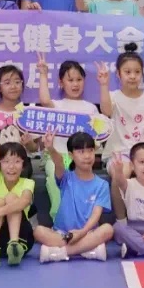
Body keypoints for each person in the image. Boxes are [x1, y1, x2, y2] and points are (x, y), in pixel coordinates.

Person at [101, 45, 144, 220]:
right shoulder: (113, 96)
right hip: (117, 153)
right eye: (127, 72)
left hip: (143, 154)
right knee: (123, 171)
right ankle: (121, 220)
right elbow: (106, 111)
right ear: (118, 74)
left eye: (137, 72)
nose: (132, 76)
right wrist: (104, 85)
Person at [34, 131, 116, 263]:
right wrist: (50, 148)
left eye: (90, 150)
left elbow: (96, 215)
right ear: (71, 155)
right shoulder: (66, 177)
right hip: (62, 234)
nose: (87, 156)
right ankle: (86, 250)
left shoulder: (102, 185)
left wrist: (81, 233)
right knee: (38, 231)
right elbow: (59, 162)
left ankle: (62, 252)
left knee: (108, 229)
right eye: (81, 152)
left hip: (88, 233)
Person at [36, 56, 99, 220]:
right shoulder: (56, 105)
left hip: (81, 157)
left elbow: (96, 138)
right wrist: (43, 74)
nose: (75, 84)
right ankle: (60, 218)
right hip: (56, 156)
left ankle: (82, 220)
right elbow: (44, 100)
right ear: (61, 82)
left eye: (79, 79)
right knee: (56, 177)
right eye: (70, 80)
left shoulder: (91, 108)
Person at [0, 111, 35, 268]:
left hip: (22, 237)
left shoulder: (28, 183)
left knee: (12, 198)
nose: (11, 167)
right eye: (6, 162)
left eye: (17, 161)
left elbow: (23, 202)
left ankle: (14, 245)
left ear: (23, 165)